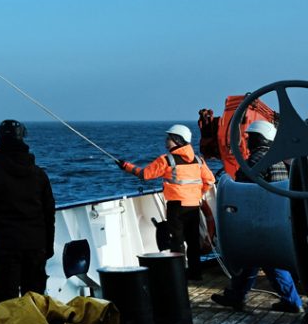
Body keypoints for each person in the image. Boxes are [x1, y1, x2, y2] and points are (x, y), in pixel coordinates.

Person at [211, 121, 303, 313]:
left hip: (258, 218)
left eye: (250, 137)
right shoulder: (277, 160)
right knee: (252, 258)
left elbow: (241, 190)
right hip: (277, 217)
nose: (247, 140)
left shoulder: (255, 160)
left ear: (259, 138)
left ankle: (293, 302)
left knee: (267, 260)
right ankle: (237, 295)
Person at [0, 120, 56, 303]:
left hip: (6, 248)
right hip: (36, 247)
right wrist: (49, 246)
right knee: (35, 305)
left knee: (7, 308)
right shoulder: (39, 175)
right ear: (23, 137)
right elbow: (49, 214)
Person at [116, 124, 215, 280]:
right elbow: (210, 180)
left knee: (177, 241)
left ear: (177, 140)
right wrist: (198, 194)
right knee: (193, 241)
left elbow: (145, 174)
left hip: (176, 207)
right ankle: (196, 274)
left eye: (169, 138)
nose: (166, 140)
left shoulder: (166, 160)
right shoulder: (199, 160)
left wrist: (126, 166)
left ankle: (179, 274)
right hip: (194, 206)